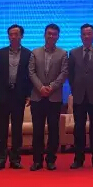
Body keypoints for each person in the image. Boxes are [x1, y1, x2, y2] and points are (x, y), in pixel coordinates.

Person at [0, 24, 32, 170]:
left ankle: (15, 159)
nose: (13, 37)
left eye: (16, 34)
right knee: (1, 129)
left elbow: (30, 76)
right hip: (3, 94)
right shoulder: (0, 53)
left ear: (21, 36)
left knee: (17, 129)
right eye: (11, 34)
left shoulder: (28, 54)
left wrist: (29, 94)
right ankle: (0, 159)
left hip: (19, 95)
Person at [28, 23, 68, 171]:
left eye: (54, 34)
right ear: (44, 35)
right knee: (37, 130)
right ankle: (37, 161)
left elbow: (64, 73)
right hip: (37, 97)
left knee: (53, 130)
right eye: (49, 33)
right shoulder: (35, 52)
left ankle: (51, 160)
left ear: (58, 36)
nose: (51, 36)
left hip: (54, 97)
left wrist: (51, 87)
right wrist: (40, 87)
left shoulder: (63, 53)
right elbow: (31, 72)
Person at [68, 24, 93, 169]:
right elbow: (71, 75)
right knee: (79, 129)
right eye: (84, 34)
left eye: (89, 33)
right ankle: (78, 159)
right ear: (80, 36)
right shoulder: (73, 53)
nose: (86, 36)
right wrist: (75, 88)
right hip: (79, 96)